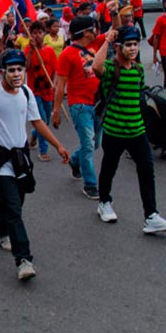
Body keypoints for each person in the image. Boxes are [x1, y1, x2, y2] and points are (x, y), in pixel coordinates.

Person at [0, 49, 70, 280]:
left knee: (15, 203)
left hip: (21, 160)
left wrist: (58, 145)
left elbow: (37, 122)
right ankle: (24, 260)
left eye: (20, 69)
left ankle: (0, 231)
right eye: (12, 70)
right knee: (13, 208)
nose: (17, 74)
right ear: (2, 72)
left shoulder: (26, 93)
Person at [92, 27, 166, 234]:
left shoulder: (138, 70)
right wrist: (107, 41)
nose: (132, 48)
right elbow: (96, 67)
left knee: (147, 171)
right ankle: (104, 202)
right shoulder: (112, 69)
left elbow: (140, 98)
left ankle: (151, 216)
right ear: (119, 47)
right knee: (109, 169)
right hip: (114, 131)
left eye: (135, 44)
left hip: (137, 131)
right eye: (128, 45)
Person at [52, 16, 105, 200]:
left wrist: (114, 14)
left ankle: (75, 161)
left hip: (98, 104)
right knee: (89, 144)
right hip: (79, 105)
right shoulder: (67, 54)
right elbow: (60, 85)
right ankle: (90, 184)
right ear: (85, 32)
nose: (96, 31)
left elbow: (115, 30)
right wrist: (56, 110)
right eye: (92, 28)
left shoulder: (96, 45)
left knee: (94, 143)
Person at [24, 21, 58, 162]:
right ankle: (43, 151)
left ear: (44, 34)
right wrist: (31, 50)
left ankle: (34, 133)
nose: (37, 35)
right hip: (34, 92)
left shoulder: (49, 50)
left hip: (48, 91)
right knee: (42, 120)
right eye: (34, 33)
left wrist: (55, 84)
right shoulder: (28, 50)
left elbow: (56, 70)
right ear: (30, 34)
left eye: (40, 32)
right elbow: (25, 67)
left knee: (47, 121)